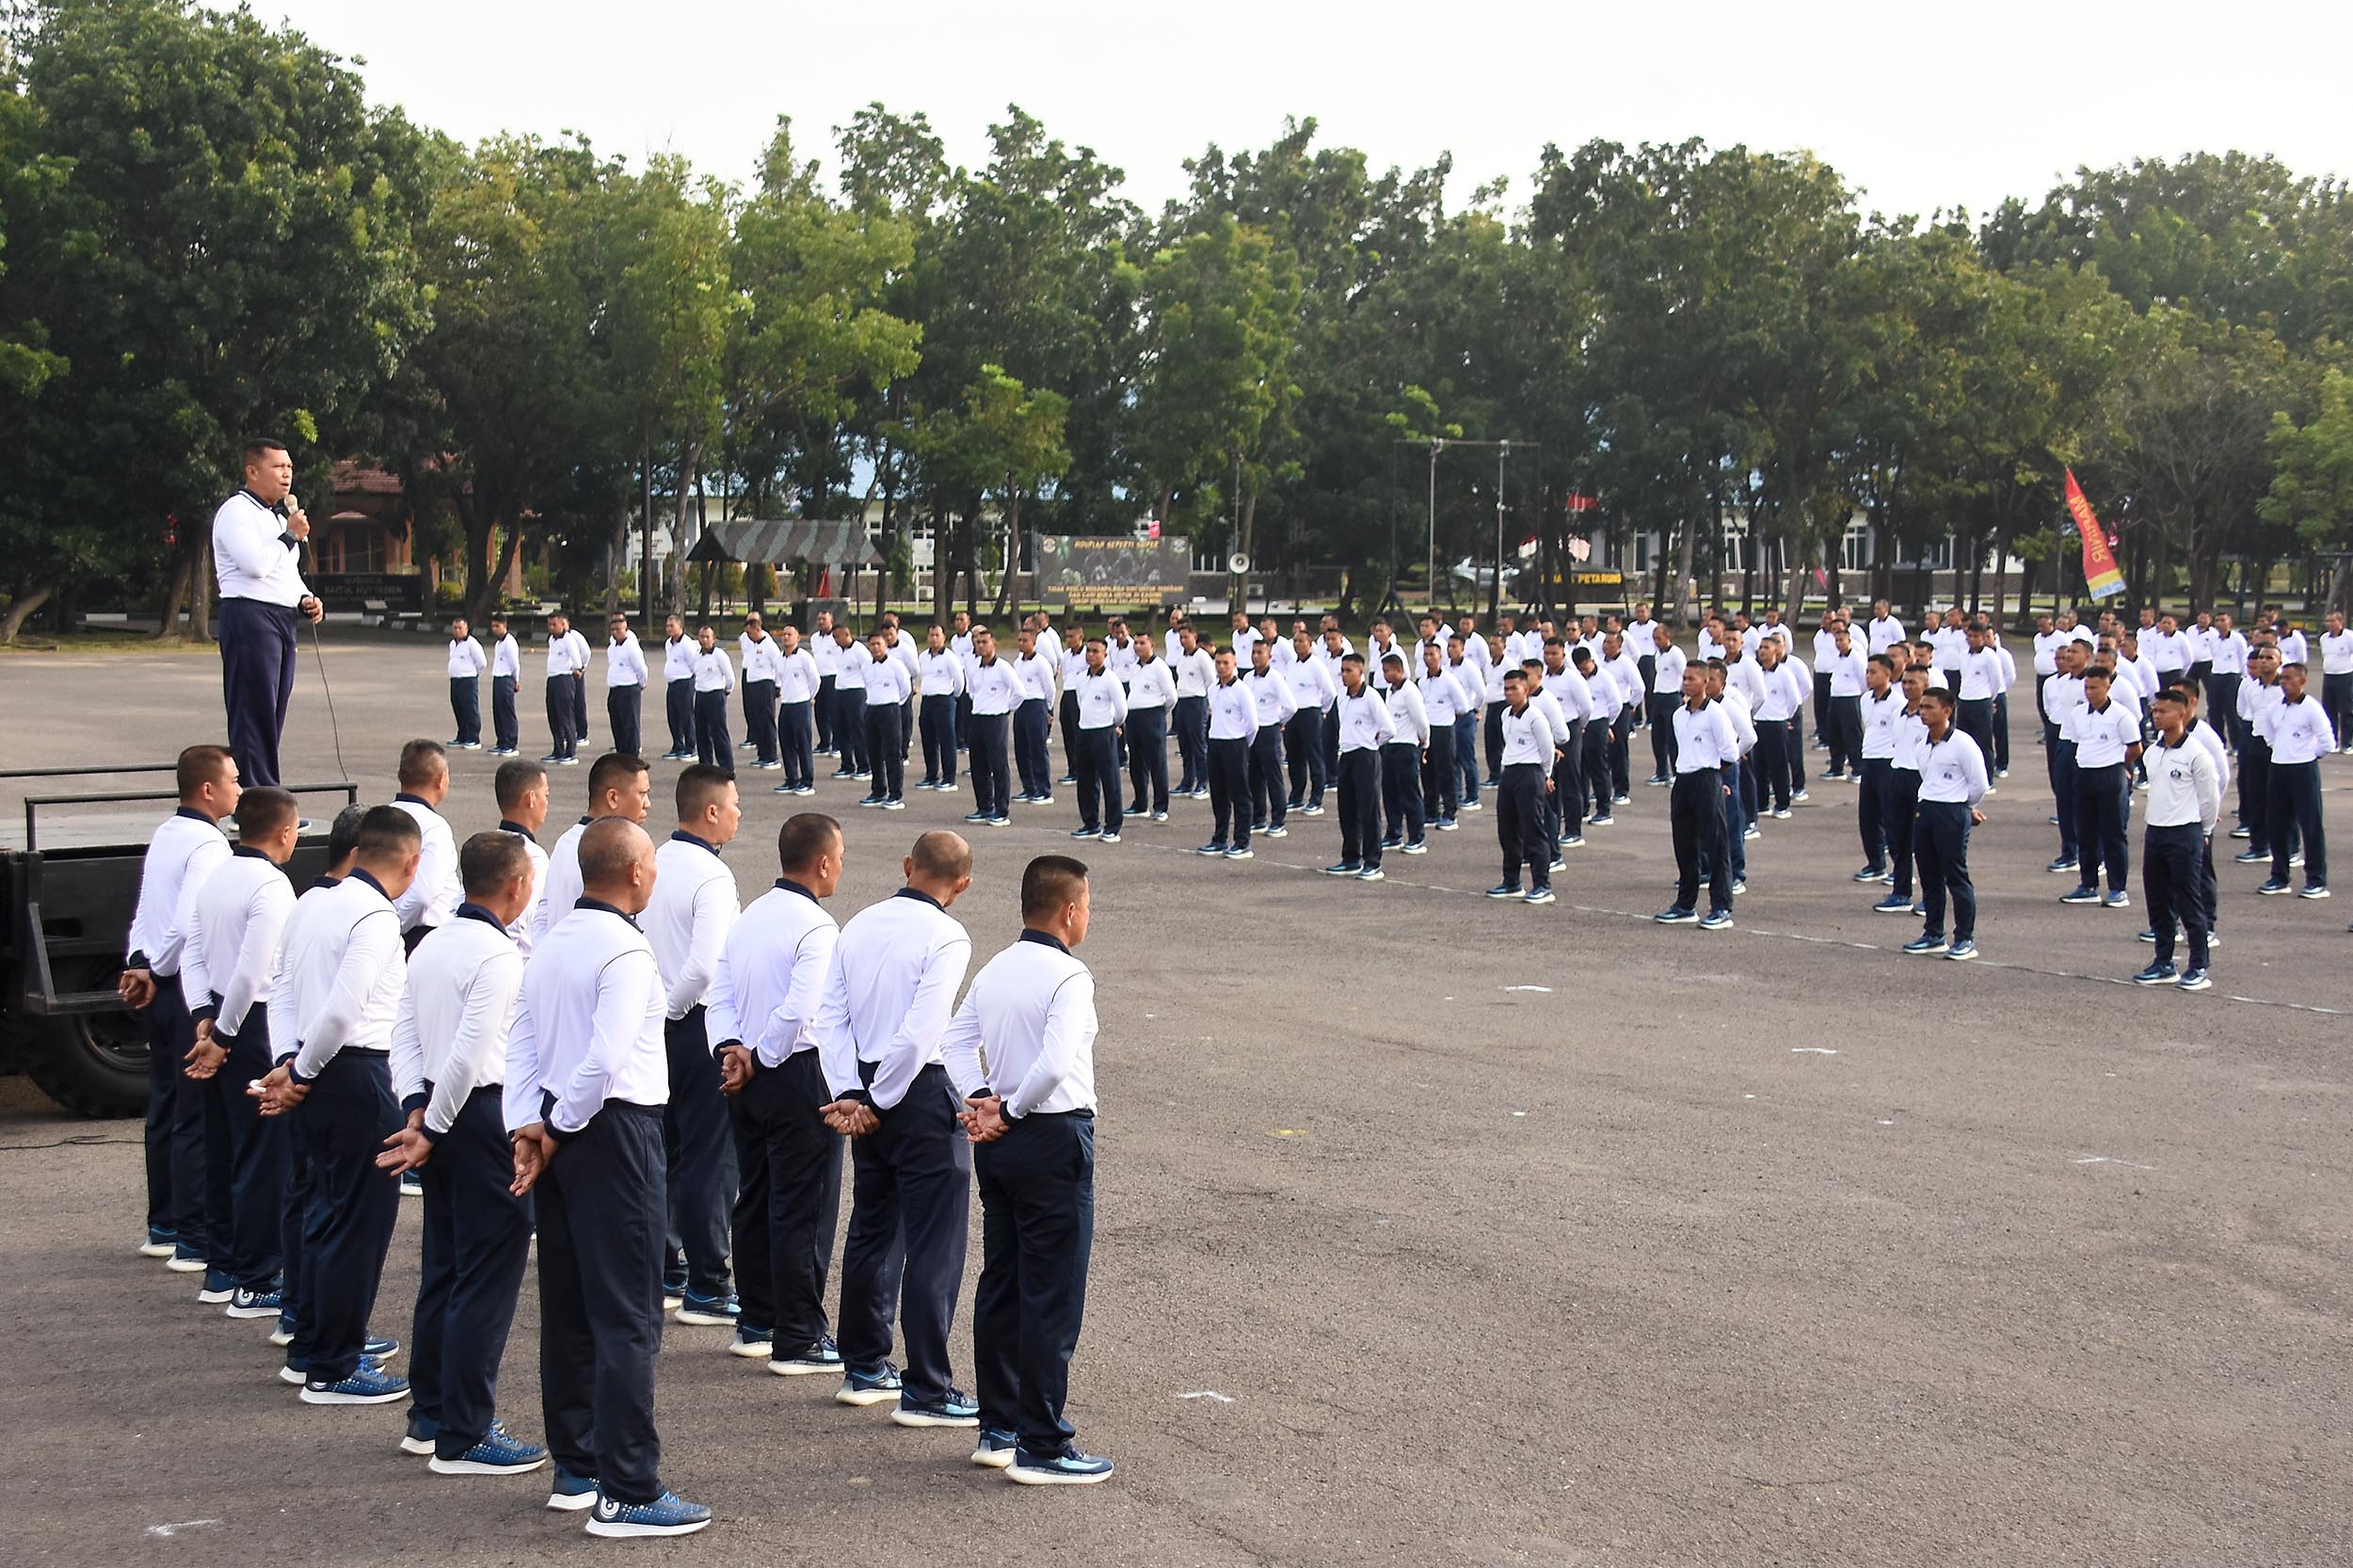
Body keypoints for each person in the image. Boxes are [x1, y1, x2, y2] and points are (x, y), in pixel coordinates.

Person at [506, 818, 713, 1537]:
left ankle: (579, 1465)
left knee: (569, 1305)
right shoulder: (626, 950)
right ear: (633, 873)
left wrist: (529, 1125)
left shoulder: (554, 941)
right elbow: (606, 1057)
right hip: (611, 1131)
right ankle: (628, 1487)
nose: (655, 874)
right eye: (651, 863)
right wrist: (558, 1125)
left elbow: (522, 1041)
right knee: (628, 1313)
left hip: (557, 1126)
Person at [377, 830, 547, 1476]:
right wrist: (434, 1124)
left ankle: (431, 1413)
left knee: (445, 1266)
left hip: (438, 1110)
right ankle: (466, 1430)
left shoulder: (432, 943)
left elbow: (405, 1036)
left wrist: (414, 1108)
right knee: (485, 1275)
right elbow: (470, 1055)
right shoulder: (498, 957)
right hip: (476, 1116)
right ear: (517, 887)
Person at [942, 856, 1115, 1484]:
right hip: (1049, 1135)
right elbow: (1056, 1062)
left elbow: (954, 1042)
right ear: (1069, 910)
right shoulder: (1069, 976)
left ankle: (999, 1426)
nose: (1088, 916)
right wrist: (1009, 1108)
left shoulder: (996, 968)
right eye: (1087, 906)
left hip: (1000, 1141)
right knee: (1052, 1292)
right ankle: (1042, 1441)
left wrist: (979, 1098)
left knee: (1004, 1281)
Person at [255, 805, 420, 1404]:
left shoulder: (312, 902)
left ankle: (311, 1345)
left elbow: (280, 990)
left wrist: (288, 1061)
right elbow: (345, 1010)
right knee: (356, 1226)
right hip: (354, 1074)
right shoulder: (376, 916)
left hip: (311, 1068)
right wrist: (300, 1070)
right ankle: (335, 1364)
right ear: (412, 862)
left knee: (321, 1213)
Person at [816, 831, 979, 1428]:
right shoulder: (947, 935)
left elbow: (830, 1016)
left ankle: (863, 1365)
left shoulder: (858, 923)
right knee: (935, 1240)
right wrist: (880, 1099)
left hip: (862, 1078)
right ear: (962, 885)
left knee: (873, 1224)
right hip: (915, 1089)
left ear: (908, 865)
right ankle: (928, 1386)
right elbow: (921, 1030)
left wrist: (851, 1092)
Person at [710, 813, 847, 1375]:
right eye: (840, 858)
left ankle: (758, 1319)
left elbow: (720, 994)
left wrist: (732, 1051)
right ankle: (800, 1335)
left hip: (744, 1075)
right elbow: (800, 1010)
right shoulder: (818, 928)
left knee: (756, 1195)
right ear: (822, 862)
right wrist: (761, 1057)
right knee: (804, 1205)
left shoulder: (748, 918)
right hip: (795, 1071)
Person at [177, 783, 299, 1319]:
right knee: (260, 1153)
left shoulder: (218, 875)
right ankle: (256, 1277)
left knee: (223, 1145)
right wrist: (224, 1038)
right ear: (285, 831)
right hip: (250, 1027)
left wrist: (203, 1019)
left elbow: (193, 953)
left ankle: (222, 1267)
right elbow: (255, 972)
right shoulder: (272, 886)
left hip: (216, 1015)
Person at [120, 744, 239, 1272]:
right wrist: (160, 968)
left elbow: (145, 913)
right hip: (184, 989)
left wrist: (139, 963)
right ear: (208, 789)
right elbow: (188, 924)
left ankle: (163, 1224)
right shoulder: (209, 845)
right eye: (233, 780)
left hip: (157, 984)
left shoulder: (167, 832)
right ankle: (193, 1236)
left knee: (165, 1107)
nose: (239, 789)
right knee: (195, 1114)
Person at [647, 765, 745, 1326]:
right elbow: (706, 966)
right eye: (732, 805)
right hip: (695, 1021)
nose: (737, 814)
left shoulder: (653, 858)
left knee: (666, 1147)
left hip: (654, 1021)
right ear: (710, 812)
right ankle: (708, 1280)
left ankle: (666, 1264)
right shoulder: (712, 876)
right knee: (709, 1154)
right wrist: (676, 1011)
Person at [212, 438, 324, 788]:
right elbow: (256, 565)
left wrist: (305, 597)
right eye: (278, 467)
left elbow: (284, 571)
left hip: (281, 618)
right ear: (252, 471)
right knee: (253, 710)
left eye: (289, 467)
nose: (287, 474)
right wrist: (290, 536)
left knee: (273, 711)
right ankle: (254, 796)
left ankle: (265, 791)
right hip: (250, 616)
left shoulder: (276, 518)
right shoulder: (236, 512)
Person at [2134, 689, 2220, 989]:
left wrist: (2204, 831)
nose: (2157, 716)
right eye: (2155, 710)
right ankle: (2163, 961)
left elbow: (2209, 798)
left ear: (2182, 714)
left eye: (2164, 711)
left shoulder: (2196, 754)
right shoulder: (2153, 752)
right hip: (2156, 832)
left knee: (2188, 900)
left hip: (2185, 832)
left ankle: (2199, 965)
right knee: (2157, 900)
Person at [534, 752, 655, 944]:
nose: (647, 804)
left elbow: (543, 914)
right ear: (613, 797)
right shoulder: (609, 852)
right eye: (642, 794)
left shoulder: (565, 843)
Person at [1905, 688, 1988, 960]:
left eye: (1929, 707)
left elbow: (1979, 784)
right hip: (1926, 809)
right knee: (1929, 875)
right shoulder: (1922, 745)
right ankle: (1933, 933)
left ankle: (1964, 938)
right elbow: (1927, 777)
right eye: (1922, 707)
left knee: (1956, 875)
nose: (1923, 712)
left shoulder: (1963, 744)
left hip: (1952, 812)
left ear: (1947, 711)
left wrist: (1965, 807)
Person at [1658, 662, 1737, 930]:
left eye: (1692, 678)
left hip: (1706, 778)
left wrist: (1714, 778)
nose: (1686, 683)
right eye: (1684, 678)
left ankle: (1721, 906)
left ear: (1705, 682)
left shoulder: (1715, 714)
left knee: (1716, 845)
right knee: (1684, 843)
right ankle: (1685, 904)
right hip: (1684, 779)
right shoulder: (1678, 715)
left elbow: (1730, 753)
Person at [2061, 666, 2139, 909]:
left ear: (2107, 687)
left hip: (2110, 774)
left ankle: (2118, 888)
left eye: (2094, 687)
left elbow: (2135, 748)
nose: (2089, 692)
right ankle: (2088, 884)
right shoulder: (2077, 714)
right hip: (2085, 773)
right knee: (2085, 832)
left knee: (2113, 833)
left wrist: (2120, 766)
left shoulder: (2121, 715)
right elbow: (2077, 743)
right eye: (2086, 687)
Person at [2257, 661, 2331, 899]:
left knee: (2310, 825)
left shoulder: (2311, 708)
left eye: (2289, 678)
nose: (2284, 682)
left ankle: (2316, 880)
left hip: (2303, 769)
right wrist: (2282, 751)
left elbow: (2327, 741)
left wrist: (2307, 755)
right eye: (2282, 678)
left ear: (2302, 680)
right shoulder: (2274, 708)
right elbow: (2269, 734)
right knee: (2277, 825)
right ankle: (2279, 876)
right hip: (2279, 768)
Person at [1483, 670, 1558, 905]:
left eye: (1514, 688)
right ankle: (1512, 881)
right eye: (1506, 689)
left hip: (1530, 773)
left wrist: (1546, 775)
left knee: (1533, 830)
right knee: (1507, 829)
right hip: (1510, 772)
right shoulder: (1505, 714)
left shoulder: (1535, 717)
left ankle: (1542, 885)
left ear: (1525, 689)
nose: (1509, 693)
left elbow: (1547, 749)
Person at [1324, 653, 1393, 882]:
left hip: (1366, 755)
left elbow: (1389, 729)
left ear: (1360, 672)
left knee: (1369, 809)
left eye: (1349, 671)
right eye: (1342, 671)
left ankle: (1372, 861)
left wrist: (1372, 743)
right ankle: (1351, 857)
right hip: (1347, 755)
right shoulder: (1341, 698)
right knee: (1347, 808)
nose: (1344, 675)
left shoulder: (1371, 697)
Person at [390, 740, 462, 953]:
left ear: (400, 775)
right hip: (422, 935)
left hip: (385, 922)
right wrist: (396, 928)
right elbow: (423, 894)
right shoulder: (435, 827)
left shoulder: (380, 817)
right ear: (440, 779)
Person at [1068, 637, 1130, 843]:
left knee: (1110, 780)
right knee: (1085, 780)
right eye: (1089, 651)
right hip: (1084, 731)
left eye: (1096, 651)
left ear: (1105, 655)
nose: (1091, 655)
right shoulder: (1081, 678)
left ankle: (1112, 826)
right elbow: (1081, 703)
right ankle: (1090, 823)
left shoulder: (1110, 679)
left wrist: (1112, 725)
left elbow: (1121, 709)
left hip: (1103, 732)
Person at [1200, 648, 1257, 860]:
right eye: (1218, 663)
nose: (1221, 667)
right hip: (1216, 743)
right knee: (1219, 793)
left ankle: (1242, 841)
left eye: (1226, 663)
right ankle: (1219, 837)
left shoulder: (1242, 690)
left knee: (1240, 794)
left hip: (1235, 743)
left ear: (1234, 664)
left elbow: (1252, 725)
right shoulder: (1213, 689)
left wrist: (1241, 744)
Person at [492, 759, 552, 957]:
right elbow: (516, 921)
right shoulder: (532, 856)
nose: (547, 803)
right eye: (545, 795)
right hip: (514, 960)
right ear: (530, 798)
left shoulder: (486, 846)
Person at [1241, 639, 1297, 840]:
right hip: (1252, 731)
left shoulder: (1275, 678)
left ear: (1269, 656)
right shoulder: (1248, 678)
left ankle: (1278, 820)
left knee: (1273, 777)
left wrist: (1278, 721)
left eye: (1260, 653)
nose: (1256, 656)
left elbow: (1291, 706)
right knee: (1254, 776)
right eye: (1254, 652)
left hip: (1269, 730)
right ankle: (1259, 817)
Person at [964, 628, 1018, 828]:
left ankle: (1001, 810)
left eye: (985, 642)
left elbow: (1019, 692)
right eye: (978, 642)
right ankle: (984, 806)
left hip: (996, 719)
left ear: (994, 644)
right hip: (978, 717)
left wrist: (1005, 708)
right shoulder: (974, 667)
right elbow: (971, 691)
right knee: (978, 764)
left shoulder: (1003, 668)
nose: (981, 645)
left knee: (998, 765)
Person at [1378, 653, 1431, 855]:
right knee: (1390, 792)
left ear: (1399, 670)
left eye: (1388, 671)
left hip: (1406, 747)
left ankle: (1417, 837)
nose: (1385, 675)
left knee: (1409, 794)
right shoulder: (1390, 691)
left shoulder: (1410, 692)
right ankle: (1394, 833)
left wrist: (1424, 742)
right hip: (1390, 746)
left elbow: (1421, 721)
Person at [1282, 629, 1337, 817]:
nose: (1297, 644)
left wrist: (1322, 710)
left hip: (1310, 712)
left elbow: (1330, 692)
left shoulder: (1316, 665)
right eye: (1295, 641)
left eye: (1301, 641)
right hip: (1293, 715)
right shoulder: (1291, 664)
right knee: (1294, 756)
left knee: (1314, 755)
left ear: (1310, 644)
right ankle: (1297, 795)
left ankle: (1316, 798)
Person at [1124, 632, 1176, 824]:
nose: (1138, 646)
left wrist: (1159, 713)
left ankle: (1161, 806)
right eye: (1136, 643)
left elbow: (1171, 696)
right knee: (1137, 762)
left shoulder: (1159, 667)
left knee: (1157, 762)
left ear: (1151, 644)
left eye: (1142, 643)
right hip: (1134, 717)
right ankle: (1140, 803)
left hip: (1152, 715)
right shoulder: (1135, 667)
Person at [858, 632, 914, 809]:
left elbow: (906, 689)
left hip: (890, 709)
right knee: (873, 751)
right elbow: (868, 686)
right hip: (871, 708)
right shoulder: (866, 666)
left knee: (892, 753)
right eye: (872, 644)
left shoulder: (896, 665)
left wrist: (894, 703)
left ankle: (895, 793)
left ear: (885, 645)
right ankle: (878, 790)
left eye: (878, 644)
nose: (875, 647)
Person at [772, 624, 821, 795]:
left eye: (789, 634)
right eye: (784, 634)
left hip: (801, 704)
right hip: (786, 704)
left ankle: (807, 780)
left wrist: (809, 697)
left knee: (803, 743)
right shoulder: (779, 659)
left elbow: (815, 680)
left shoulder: (804, 657)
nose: (786, 637)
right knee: (786, 742)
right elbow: (779, 680)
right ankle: (791, 778)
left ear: (798, 638)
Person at [917, 624, 966, 793]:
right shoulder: (923, 656)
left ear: (943, 637)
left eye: (937, 635)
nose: (934, 638)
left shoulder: (949, 657)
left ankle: (949, 777)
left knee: (947, 740)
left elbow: (959, 681)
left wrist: (952, 697)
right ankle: (931, 775)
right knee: (928, 739)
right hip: (927, 700)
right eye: (931, 635)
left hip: (944, 700)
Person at [1169, 625, 1214, 797]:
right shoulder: (1182, 657)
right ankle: (1187, 781)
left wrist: (1210, 702)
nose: (1183, 640)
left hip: (1197, 701)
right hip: (1182, 700)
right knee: (1185, 744)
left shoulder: (1202, 656)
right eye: (1181, 637)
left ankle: (1203, 782)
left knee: (1198, 744)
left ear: (1194, 637)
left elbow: (1211, 680)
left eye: (1186, 637)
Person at [738, 615, 781, 770]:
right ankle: (762, 754)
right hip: (753, 684)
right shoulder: (752, 644)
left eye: (750, 633)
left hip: (765, 685)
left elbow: (779, 666)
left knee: (766, 721)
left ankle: (771, 756)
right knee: (756, 720)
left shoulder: (769, 646)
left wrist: (778, 686)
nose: (748, 636)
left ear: (757, 629)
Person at [689, 626, 735, 771]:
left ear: (713, 639)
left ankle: (726, 768)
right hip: (701, 695)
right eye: (702, 637)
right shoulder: (696, 656)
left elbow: (730, 678)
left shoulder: (719, 655)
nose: (704, 640)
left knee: (719, 733)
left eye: (707, 637)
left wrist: (726, 691)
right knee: (701, 733)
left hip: (715, 694)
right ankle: (705, 767)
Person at [1645, 623, 1687, 783]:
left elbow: (1684, 674)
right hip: (1659, 696)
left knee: (1672, 738)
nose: (1656, 642)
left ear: (1667, 637)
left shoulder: (1676, 653)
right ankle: (1661, 772)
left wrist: (1683, 694)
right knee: (1657, 737)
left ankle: (1677, 772)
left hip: (1672, 697)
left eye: (1659, 638)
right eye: (1654, 639)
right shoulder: (1658, 654)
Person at [828, 623, 871, 781]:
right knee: (841, 730)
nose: (835, 640)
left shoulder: (859, 651)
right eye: (833, 637)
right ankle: (847, 765)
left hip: (856, 692)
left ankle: (865, 766)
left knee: (857, 730)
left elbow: (869, 672)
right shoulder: (839, 651)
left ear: (847, 634)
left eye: (837, 637)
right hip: (840, 692)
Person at [605, 613, 648, 761]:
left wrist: (641, 683)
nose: (616, 632)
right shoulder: (612, 645)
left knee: (630, 725)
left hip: (629, 688)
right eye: (613, 629)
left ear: (625, 629)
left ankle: (632, 757)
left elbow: (641, 668)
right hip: (615, 688)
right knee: (617, 725)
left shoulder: (631, 646)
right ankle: (621, 754)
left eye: (619, 629)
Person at [543, 612, 585, 764]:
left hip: (564, 679)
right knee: (553, 715)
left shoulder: (569, 640)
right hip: (552, 678)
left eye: (554, 624)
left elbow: (577, 661)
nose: (551, 628)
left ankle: (571, 751)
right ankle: (558, 749)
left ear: (562, 624)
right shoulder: (552, 640)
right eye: (549, 625)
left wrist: (574, 670)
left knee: (565, 716)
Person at [660, 614, 697, 761]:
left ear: (680, 626)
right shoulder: (669, 643)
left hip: (685, 682)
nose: (669, 629)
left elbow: (694, 664)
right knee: (673, 716)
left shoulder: (687, 644)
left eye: (672, 626)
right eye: (667, 626)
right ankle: (677, 745)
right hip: (672, 683)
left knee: (686, 716)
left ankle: (690, 747)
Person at [446, 619, 487, 750]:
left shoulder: (472, 643)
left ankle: (473, 738)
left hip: (468, 680)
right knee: (458, 707)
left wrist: (473, 674)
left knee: (470, 709)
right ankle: (462, 735)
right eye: (455, 628)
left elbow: (482, 663)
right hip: (455, 680)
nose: (457, 630)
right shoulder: (453, 644)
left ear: (466, 629)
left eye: (460, 628)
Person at [488, 614, 523, 756]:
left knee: (507, 711)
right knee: (498, 711)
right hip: (498, 677)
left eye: (497, 626)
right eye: (493, 626)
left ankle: (510, 743)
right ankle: (501, 741)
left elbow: (515, 663)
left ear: (505, 625)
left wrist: (516, 679)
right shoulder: (498, 643)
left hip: (507, 678)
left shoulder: (510, 642)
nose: (494, 629)